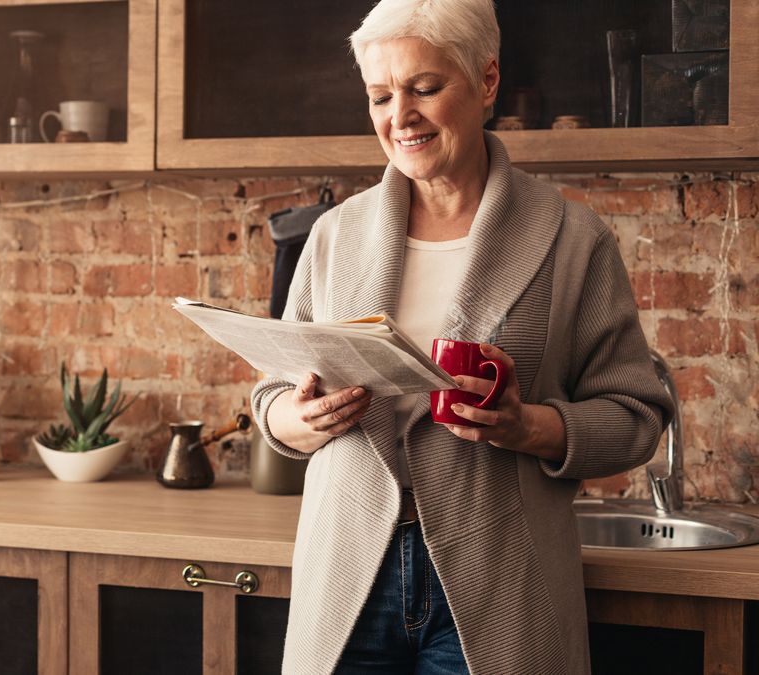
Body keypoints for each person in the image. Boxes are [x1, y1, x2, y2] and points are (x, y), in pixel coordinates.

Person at [250, 0, 674, 673]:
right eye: (380, 95)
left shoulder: (572, 239)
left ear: (486, 81)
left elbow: (635, 419)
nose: (400, 116)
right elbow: (273, 396)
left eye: (424, 88)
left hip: (503, 579)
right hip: (348, 575)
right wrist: (298, 416)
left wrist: (526, 425)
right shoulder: (334, 237)